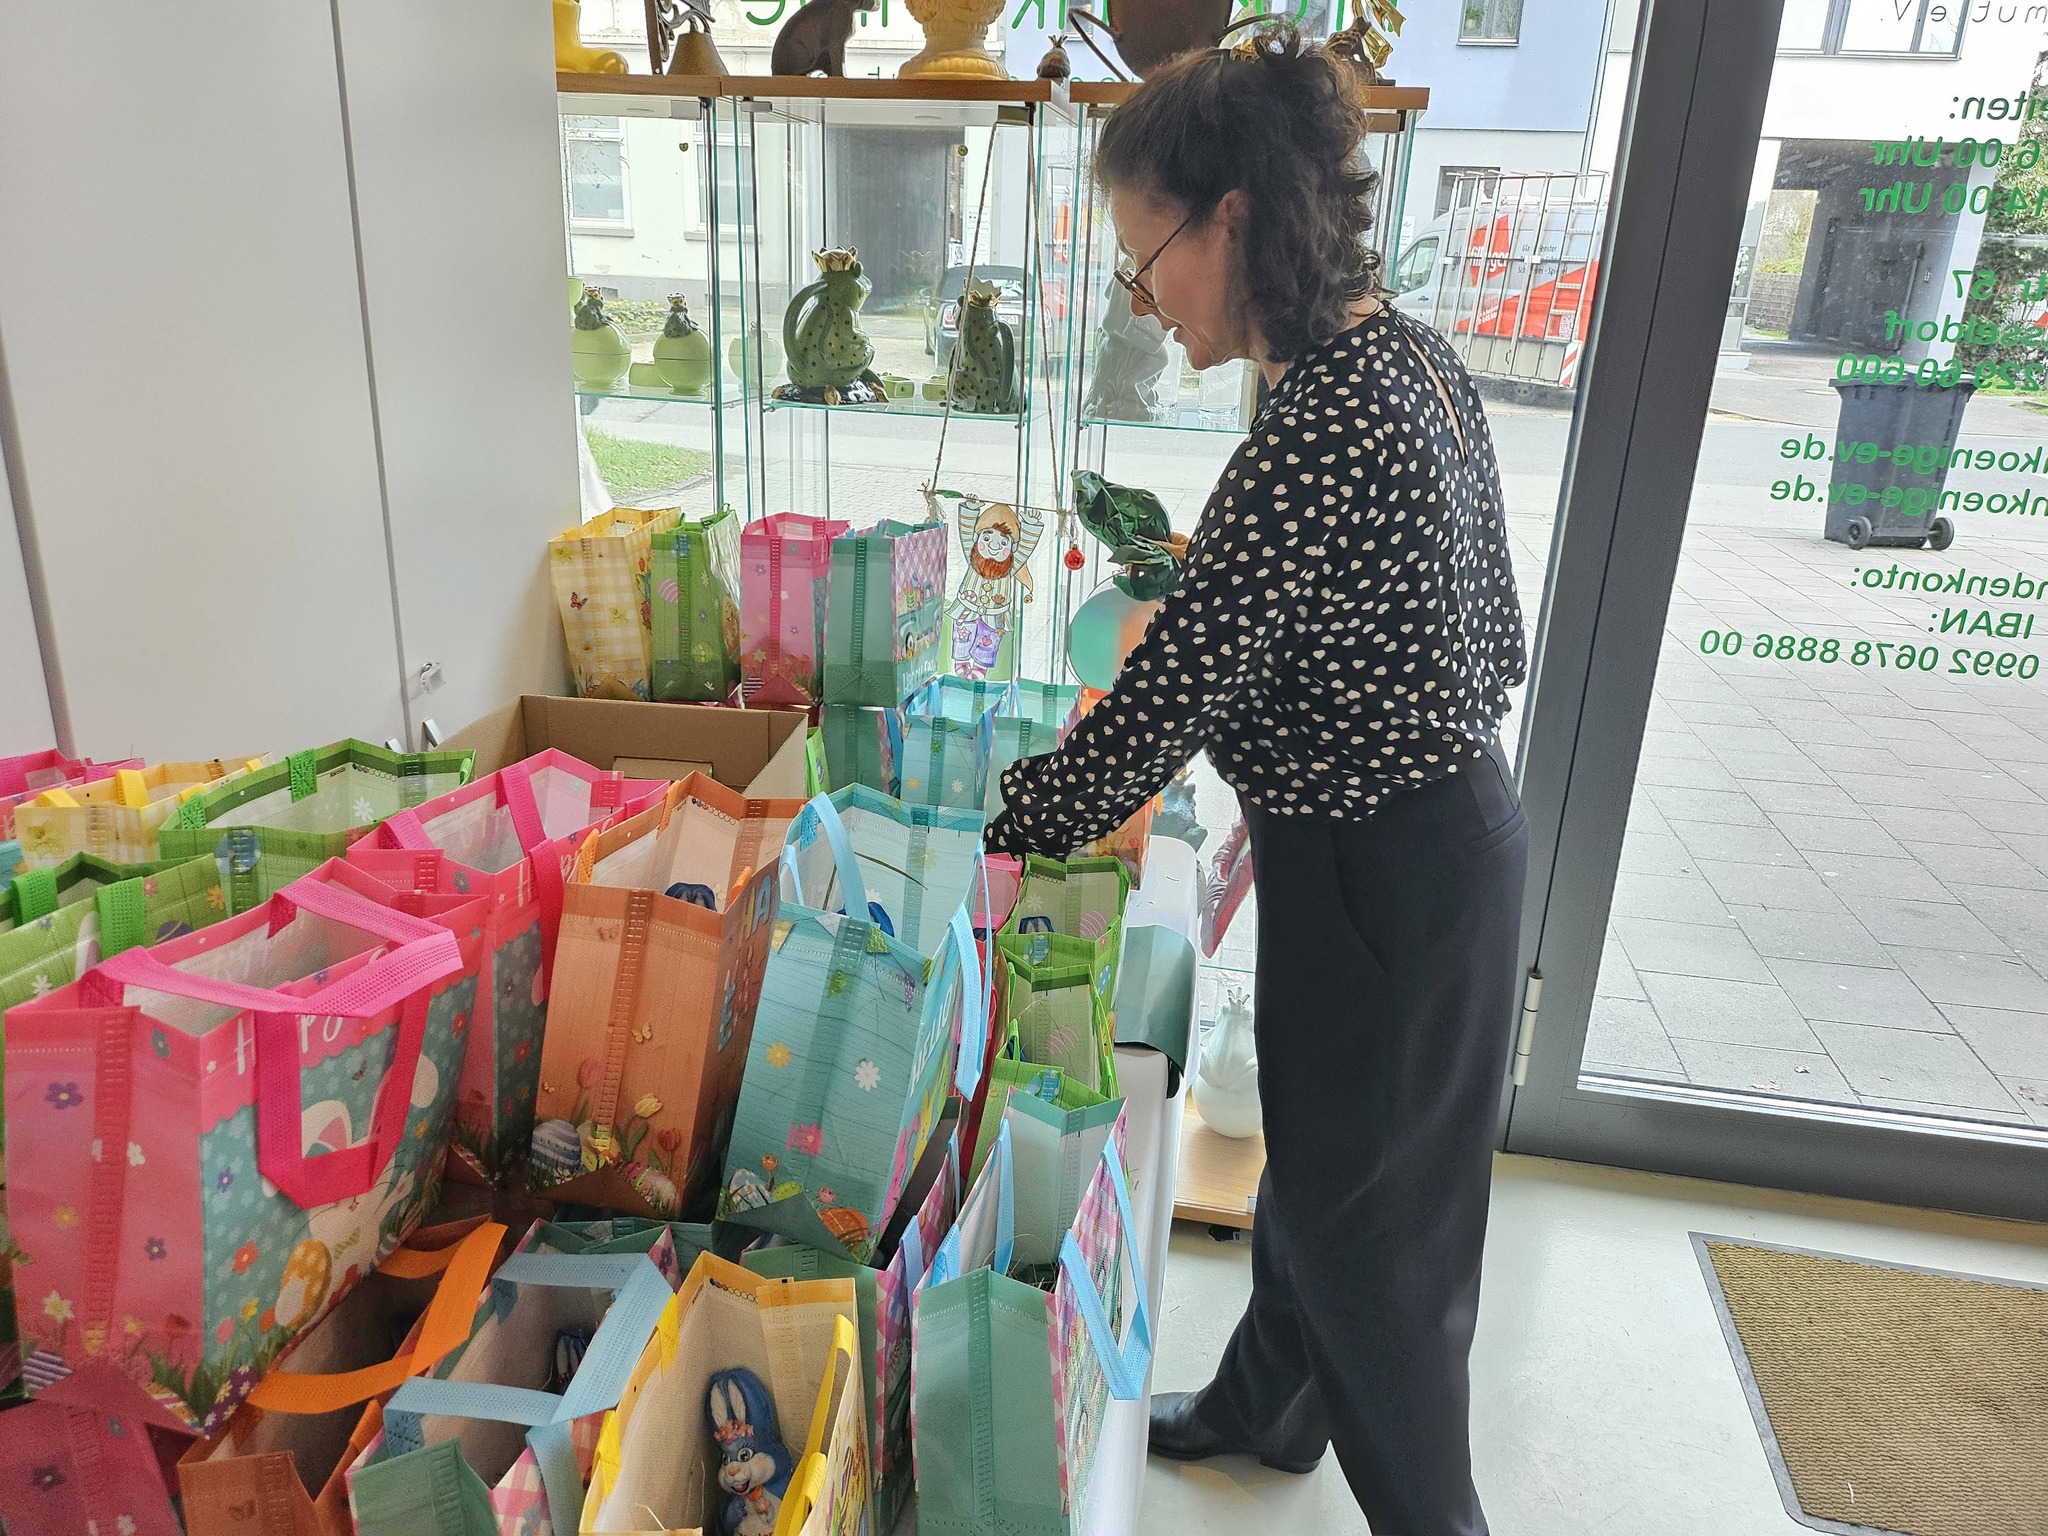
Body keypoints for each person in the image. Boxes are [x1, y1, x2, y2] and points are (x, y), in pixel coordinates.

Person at [981, 24, 1528, 1536]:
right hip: (1433, 838)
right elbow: (1488, 624)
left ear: (1228, 219)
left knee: (1382, 1254)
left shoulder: (1321, 426)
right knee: (1336, 1175)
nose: (1139, 294)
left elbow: (1155, 712)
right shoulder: (1398, 355)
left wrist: (1000, 825)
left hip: (1384, 872)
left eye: (1143, 254)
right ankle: (1269, 1411)